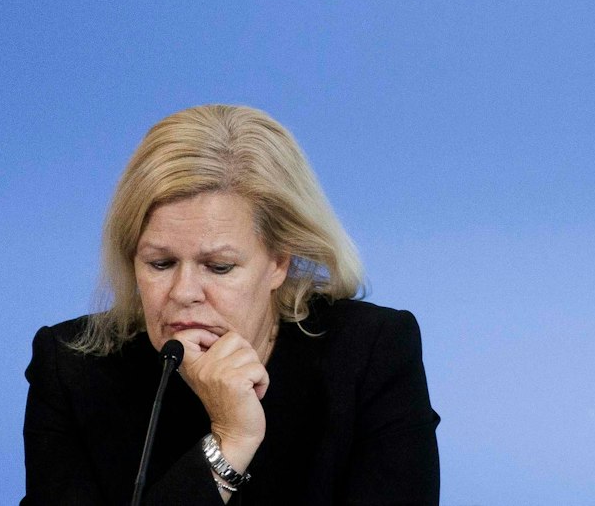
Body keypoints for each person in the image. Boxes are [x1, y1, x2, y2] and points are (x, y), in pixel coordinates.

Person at [23, 104, 440, 505]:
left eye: (219, 266)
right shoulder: (70, 367)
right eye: (160, 263)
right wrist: (230, 441)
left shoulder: (372, 352)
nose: (184, 292)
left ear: (279, 262)